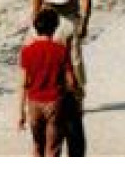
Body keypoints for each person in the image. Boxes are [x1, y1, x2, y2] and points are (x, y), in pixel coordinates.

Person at [29, 0, 91, 154]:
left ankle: (77, 95)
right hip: (48, 17)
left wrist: (84, 22)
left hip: (69, 17)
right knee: (42, 55)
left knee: (73, 59)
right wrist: (34, 19)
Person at [17, 8, 80, 157]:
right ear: (55, 27)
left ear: (36, 27)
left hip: (33, 104)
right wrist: (75, 97)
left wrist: (21, 113)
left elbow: (24, 83)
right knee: (52, 148)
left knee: (37, 146)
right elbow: (71, 81)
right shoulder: (61, 50)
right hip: (54, 103)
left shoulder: (26, 51)